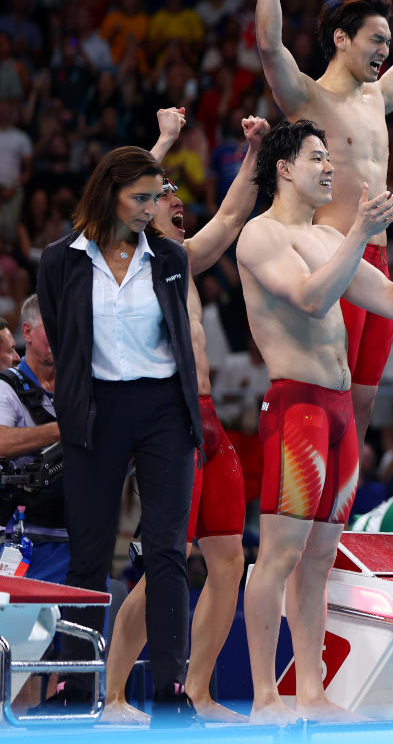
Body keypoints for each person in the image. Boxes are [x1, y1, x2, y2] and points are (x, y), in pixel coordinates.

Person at [238, 119, 393, 724]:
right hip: (296, 407)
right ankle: (266, 695)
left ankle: (312, 692)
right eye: (318, 158)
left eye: (331, 159)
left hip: (341, 413)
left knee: (321, 558)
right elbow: (313, 299)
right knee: (278, 556)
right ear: (284, 168)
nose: (331, 169)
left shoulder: (327, 237)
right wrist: (361, 233)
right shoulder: (260, 236)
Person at [102, 111, 267, 725]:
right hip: (168, 419)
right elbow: (119, 201)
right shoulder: (134, 264)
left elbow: (231, 215)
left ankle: (196, 691)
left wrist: (254, 151)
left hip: (211, 422)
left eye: (171, 193)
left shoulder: (183, 261)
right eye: (161, 195)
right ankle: (114, 695)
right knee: (165, 560)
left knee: (229, 559)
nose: (172, 202)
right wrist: (165, 140)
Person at [256, 0, 393, 450]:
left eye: (387, 39)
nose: (386, 50)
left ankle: (341, 516)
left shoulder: (375, 98)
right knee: (331, 392)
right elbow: (269, 45)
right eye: (376, 39)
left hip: (379, 264)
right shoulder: (308, 100)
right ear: (342, 39)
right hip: (334, 260)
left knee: (363, 402)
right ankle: (309, 513)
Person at [36, 145, 201, 723]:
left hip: (163, 410)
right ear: (109, 193)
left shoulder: (170, 257)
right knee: (88, 555)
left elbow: (175, 339)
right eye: (140, 197)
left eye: (156, 197)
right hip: (97, 409)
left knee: (165, 553)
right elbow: (62, 336)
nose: (150, 208)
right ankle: (77, 686)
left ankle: (171, 691)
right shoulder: (60, 260)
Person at [0, 295, 61, 581]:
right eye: (53, 328)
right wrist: (66, 429)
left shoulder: (83, 390)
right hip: (26, 537)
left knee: (82, 623)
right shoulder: (6, 386)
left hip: (82, 535)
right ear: (27, 333)